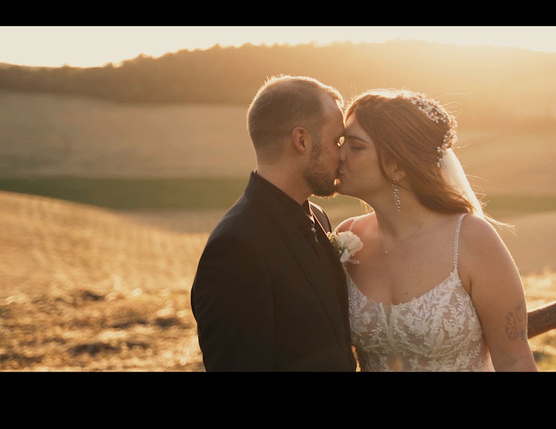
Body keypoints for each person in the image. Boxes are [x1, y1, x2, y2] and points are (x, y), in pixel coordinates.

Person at [334, 89, 538, 371]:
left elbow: (514, 358)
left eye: (355, 147)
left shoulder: (470, 240)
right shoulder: (348, 239)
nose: (339, 154)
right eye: (342, 142)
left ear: (397, 166)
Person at [191, 75, 356, 371]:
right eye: (336, 140)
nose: (343, 154)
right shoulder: (235, 249)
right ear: (302, 140)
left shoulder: (317, 216)